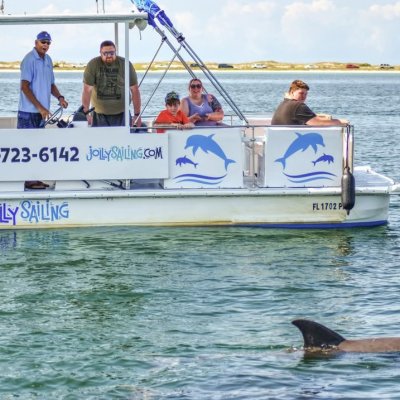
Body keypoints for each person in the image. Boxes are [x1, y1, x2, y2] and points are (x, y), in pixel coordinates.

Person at [17, 31, 68, 190]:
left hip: (42, 113)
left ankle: (34, 179)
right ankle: (26, 180)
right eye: (43, 42)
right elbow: (24, 86)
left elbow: (51, 84)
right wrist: (40, 107)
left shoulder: (48, 60)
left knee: (37, 147)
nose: (45, 45)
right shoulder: (29, 59)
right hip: (28, 112)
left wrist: (60, 97)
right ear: (36, 42)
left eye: (48, 43)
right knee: (26, 147)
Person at [81, 40, 141, 128]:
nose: (109, 56)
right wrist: (85, 113)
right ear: (100, 53)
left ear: (115, 51)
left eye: (111, 53)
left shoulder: (125, 64)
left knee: (123, 141)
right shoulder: (93, 65)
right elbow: (87, 90)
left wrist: (137, 115)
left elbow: (134, 90)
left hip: (122, 114)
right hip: (99, 115)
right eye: (105, 53)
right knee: (100, 141)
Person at [271, 79, 348, 126]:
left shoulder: (284, 103)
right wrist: (342, 122)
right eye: (301, 93)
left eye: (306, 94)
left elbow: (299, 116)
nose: (304, 96)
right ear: (292, 92)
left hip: (280, 140)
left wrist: (320, 117)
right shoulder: (298, 106)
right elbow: (319, 123)